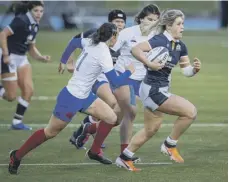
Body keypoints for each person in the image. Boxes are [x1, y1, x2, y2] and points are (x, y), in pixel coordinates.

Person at [8, 22, 135, 175]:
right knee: (50, 132)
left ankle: (94, 152)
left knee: (111, 117)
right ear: (112, 37)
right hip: (71, 98)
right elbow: (115, 82)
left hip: (85, 96)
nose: (117, 39)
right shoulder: (103, 53)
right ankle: (16, 156)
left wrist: (63, 60)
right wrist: (129, 72)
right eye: (117, 35)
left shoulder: (91, 41)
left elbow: (74, 42)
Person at [115, 9, 201, 171]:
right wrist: (149, 63)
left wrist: (194, 69)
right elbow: (136, 50)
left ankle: (124, 157)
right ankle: (170, 145)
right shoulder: (159, 40)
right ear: (168, 26)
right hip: (153, 90)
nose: (182, 27)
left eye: (183, 23)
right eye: (179, 24)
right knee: (190, 112)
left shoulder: (181, 46)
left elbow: (186, 71)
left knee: (150, 129)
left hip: (157, 90)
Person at [75, 5, 161, 163]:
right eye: (149, 19)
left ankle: (92, 132)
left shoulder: (157, 36)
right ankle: (124, 154)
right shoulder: (128, 33)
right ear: (141, 18)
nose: (152, 23)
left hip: (142, 81)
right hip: (123, 76)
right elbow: (107, 48)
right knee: (131, 112)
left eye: (156, 20)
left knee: (117, 118)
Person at [68, 9, 126, 151]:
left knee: (118, 108)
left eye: (122, 21)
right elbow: (74, 40)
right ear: (109, 22)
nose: (119, 24)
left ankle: (84, 131)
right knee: (112, 103)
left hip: (109, 76)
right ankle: (91, 132)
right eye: (116, 21)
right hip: (96, 77)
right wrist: (69, 61)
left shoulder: (123, 37)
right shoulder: (96, 33)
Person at [0, 1, 51, 130]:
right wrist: (5, 54)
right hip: (10, 57)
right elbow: (3, 34)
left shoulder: (35, 24)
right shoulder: (21, 20)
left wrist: (41, 57)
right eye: (36, 11)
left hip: (22, 58)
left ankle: (17, 122)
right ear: (29, 10)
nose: (39, 14)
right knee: (10, 96)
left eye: (41, 11)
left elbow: (31, 47)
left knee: (28, 91)